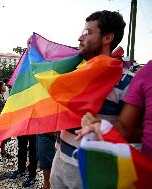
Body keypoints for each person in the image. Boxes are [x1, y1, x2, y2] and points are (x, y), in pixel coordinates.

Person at [49, 10, 130, 189]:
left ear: (107, 38)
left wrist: (103, 128)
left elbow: (136, 135)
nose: (80, 37)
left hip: (93, 172)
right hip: (60, 161)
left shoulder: (126, 83)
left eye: (87, 33)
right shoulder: (74, 73)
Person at [77, 60, 152, 158]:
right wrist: (101, 127)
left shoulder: (135, 78)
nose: (79, 43)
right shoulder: (146, 74)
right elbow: (126, 131)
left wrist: (103, 128)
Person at [0, 81, 12, 158]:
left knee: (3, 135)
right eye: (4, 85)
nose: (5, 87)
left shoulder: (1, 95)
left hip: (2, 118)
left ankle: (3, 151)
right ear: (0, 87)